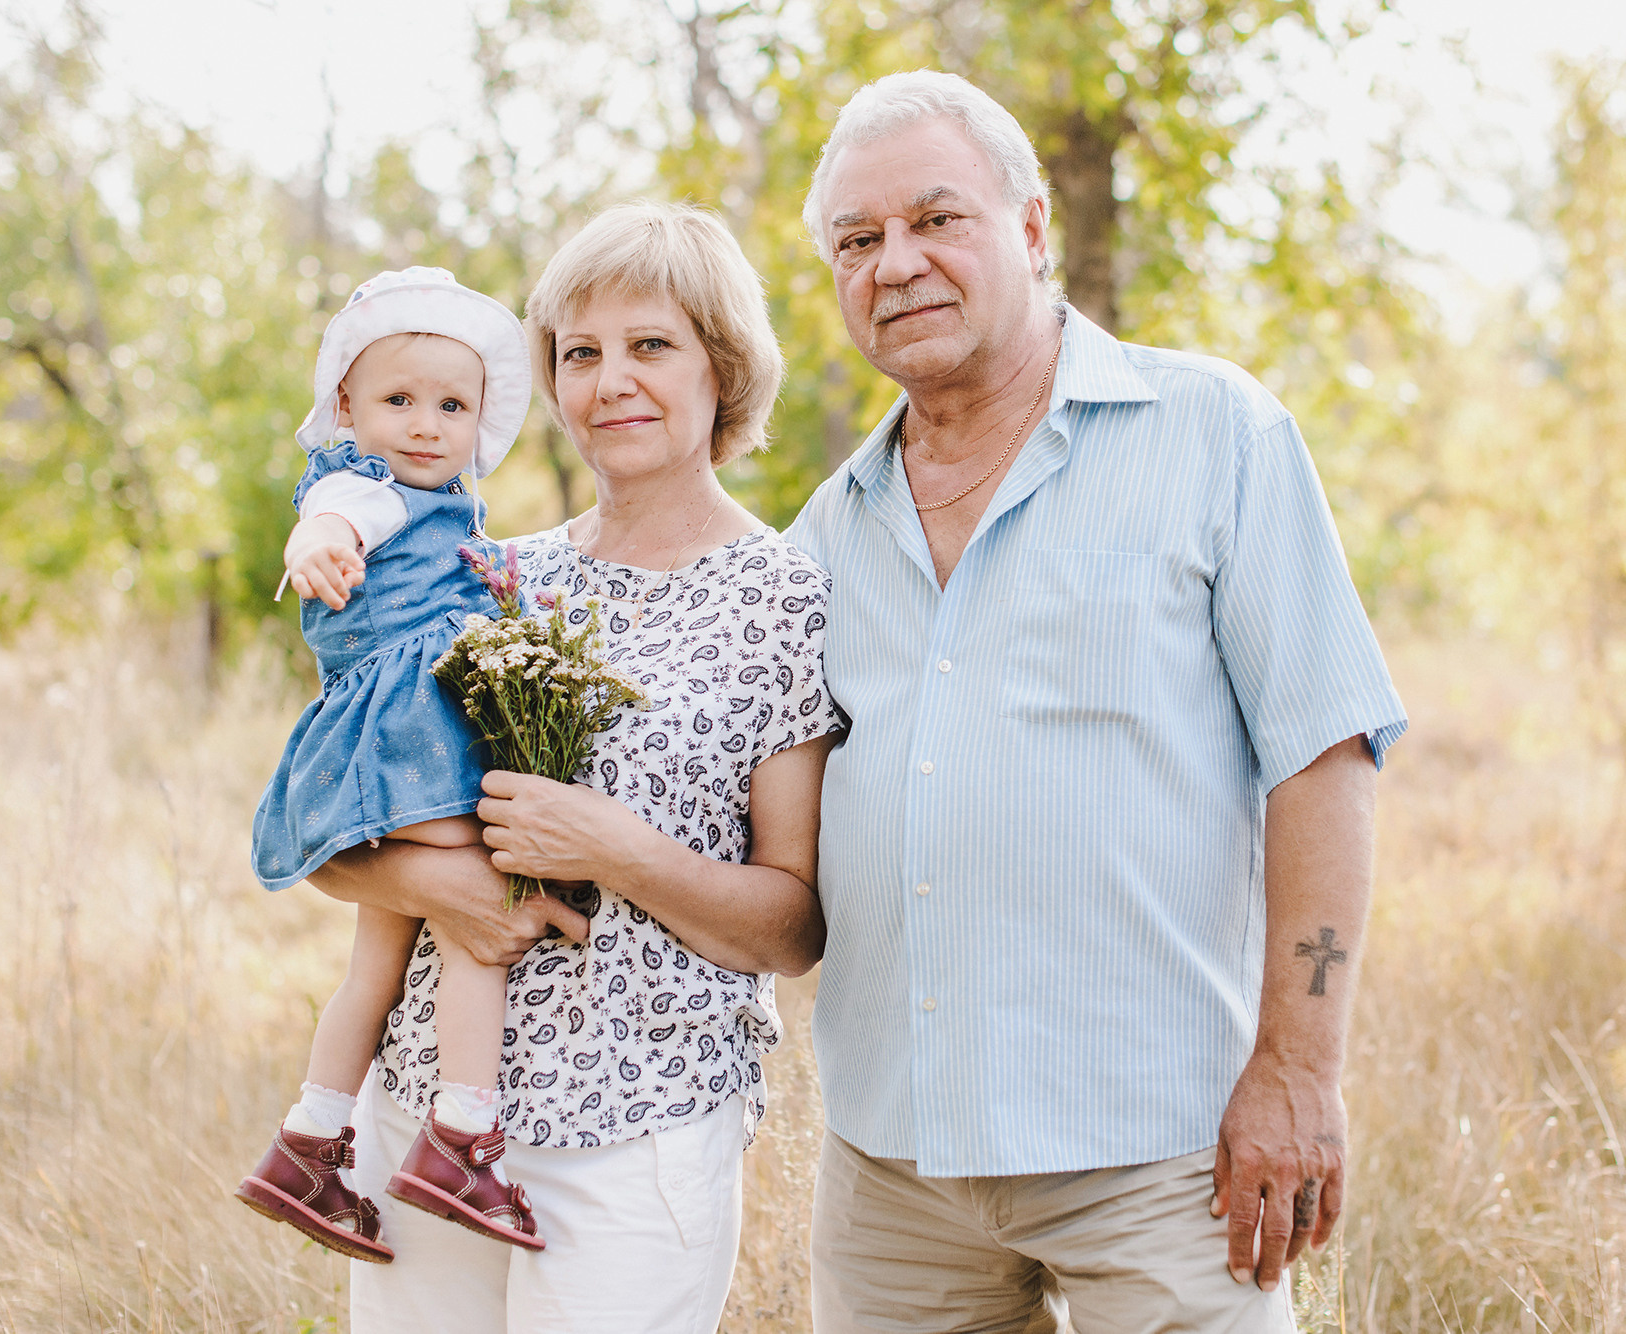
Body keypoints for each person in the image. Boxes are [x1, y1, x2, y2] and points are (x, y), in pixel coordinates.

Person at [784, 71, 1409, 1332]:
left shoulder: (1213, 433)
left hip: (1165, 1156)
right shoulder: (822, 532)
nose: (893, 263)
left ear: (1027, 229)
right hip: (895, 1169)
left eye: (932, 219)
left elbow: (1323, 751)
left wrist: (1298, 1066)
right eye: (857, 242)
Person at [305, 202, 845, 1332]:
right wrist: (444, 886)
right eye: (578, 353)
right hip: (429, 1118)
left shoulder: (783, 594)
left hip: (638, 1127)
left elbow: (791, 926)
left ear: (722, 367)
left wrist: (619, 851)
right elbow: (332, 831)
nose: (612, 382)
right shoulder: (483, 574)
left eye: (650, 345)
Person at [240, 267, 548, 1262]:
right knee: (478, 917)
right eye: (398, 400)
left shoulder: (455, 507)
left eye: (450, 405)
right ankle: (463, 1133)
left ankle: (310, 1139)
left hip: (400, 746)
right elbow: (329, 519)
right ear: (347, 408)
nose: (424, 424)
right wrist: (316, 541)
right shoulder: (359, 486)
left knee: (376, 958)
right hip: (410, 741)